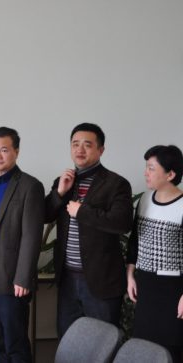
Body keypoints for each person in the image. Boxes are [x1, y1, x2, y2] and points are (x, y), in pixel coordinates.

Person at [45, 123, 133, 337]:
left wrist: (82, 212)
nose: (80, 150)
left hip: (101, 281)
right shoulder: (64, 181)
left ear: (101, 150)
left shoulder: (116, 183)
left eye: (87, 145)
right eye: (75, 144)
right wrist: (59, 193)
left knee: (102, 342)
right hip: (68, 279)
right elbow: (44, 215)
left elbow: (121, 223)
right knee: (68, 340)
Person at [0, 127, 45, 363]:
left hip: (12, 278)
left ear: (16, 151)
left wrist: (23, 278)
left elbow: (31, 236)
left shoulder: (29, 186)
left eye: (4, 150)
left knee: (15, 343)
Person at [127, 145, 183, 362]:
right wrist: (130, 274)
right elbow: (134, 240)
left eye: (151, 168)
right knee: (145, 348)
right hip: (146, 285)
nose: (145, 173)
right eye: (146, 167)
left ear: (170, 174)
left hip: (173, 289)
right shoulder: (145, 200)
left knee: (171, 351)